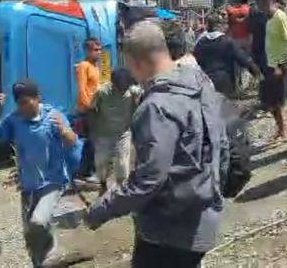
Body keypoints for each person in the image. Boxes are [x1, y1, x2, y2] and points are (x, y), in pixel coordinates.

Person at [84, 21, 229, 268]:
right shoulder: (201, 83)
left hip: (168, 231)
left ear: (136, 62)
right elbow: (222, 148)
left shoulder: (157, 106)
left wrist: (100, 210)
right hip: (203, 218)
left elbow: (148, 180)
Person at [0, 79, 83, 267]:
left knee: (38, 222)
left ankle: (52, 254)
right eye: (19, 103)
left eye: (26, 102)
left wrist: (64, 130)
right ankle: (45, 261)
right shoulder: (14, 120)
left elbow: (73, 143)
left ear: (38, 98)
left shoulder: (53, 117)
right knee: (31, 237)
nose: (23, 107)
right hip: (28, 186)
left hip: (53, 182)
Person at [90, 68, 142, 195]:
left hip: (123, 134)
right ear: (113, 84)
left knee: (122, 165)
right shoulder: (102, 92)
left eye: (126, 87)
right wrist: (91, 131)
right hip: (103, 134)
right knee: (101, 163)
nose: (123, 90)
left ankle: (120, 191)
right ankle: (103, 184)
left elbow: (147, 97)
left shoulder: (133, 92)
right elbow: (91, 110)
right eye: (121, 87)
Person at [194, 14, 260, 97]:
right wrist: (258, 74)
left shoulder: (200, 43)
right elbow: (243, 59)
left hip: (205, 82)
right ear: (219, 25)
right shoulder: (228, 42)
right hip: (224, 82)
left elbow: (195, 62)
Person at [263, 0, 287, 142]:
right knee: (270, 101)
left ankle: (284, 131)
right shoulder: (269, 19)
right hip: (271, 63)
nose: (261, 7)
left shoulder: (280, 17)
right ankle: (280, 129)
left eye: (264, 3)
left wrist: (282, 65)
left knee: (277, 100)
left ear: (270, 2)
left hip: (279, 65)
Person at [76, 37, 102, 183]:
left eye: (99, 50)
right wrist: (89, 106)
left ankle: (88, 170)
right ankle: (86, 172)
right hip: (88, 109)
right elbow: (82, 90)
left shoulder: (96, 67)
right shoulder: (84, 66)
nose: (98, 53)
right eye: (95, 50)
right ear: (87, 51)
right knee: (91, 141)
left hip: (96, 107)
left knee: (94, 141)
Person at [250, 0, 272, 110]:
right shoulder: (256, 14)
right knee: (263, 76)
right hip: (259, 48)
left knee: (266, 76)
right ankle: (264, 100)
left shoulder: (270, 15)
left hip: (266, 49)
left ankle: (268, 102)